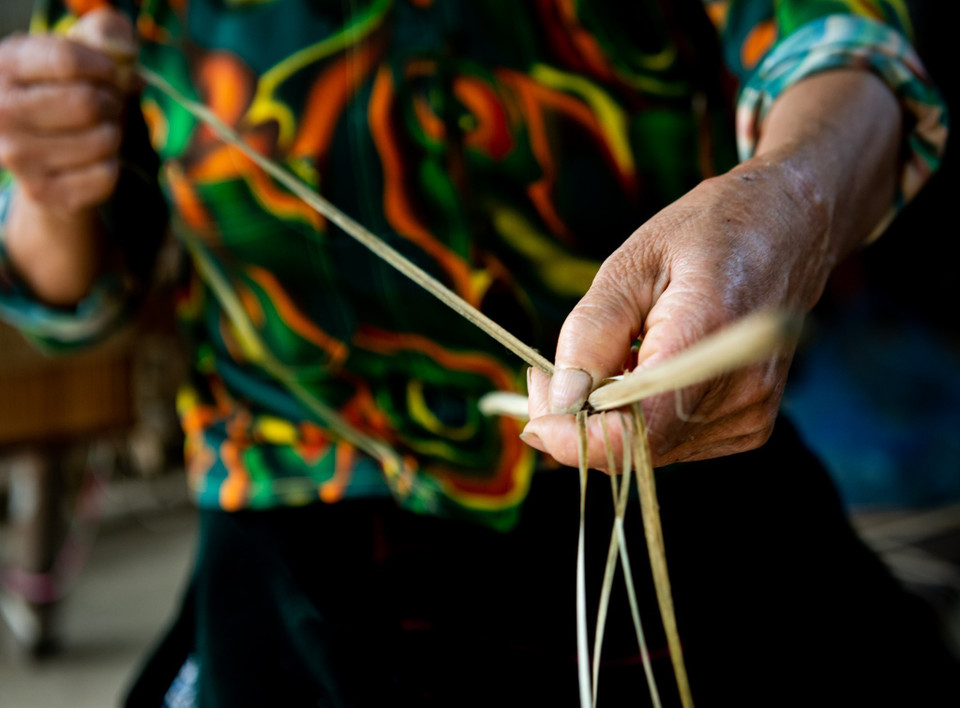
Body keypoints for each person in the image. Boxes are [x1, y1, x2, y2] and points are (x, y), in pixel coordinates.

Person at [0, 1, 956, 705]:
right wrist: (48, 178)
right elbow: (76, 297)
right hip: (311, 527)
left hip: (690, 474)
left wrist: (792, 197)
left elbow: (848, 51)